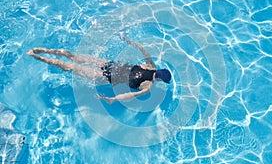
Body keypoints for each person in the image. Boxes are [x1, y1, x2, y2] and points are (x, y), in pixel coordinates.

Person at [27, 34, 172, 104]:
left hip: (110, 64)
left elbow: (142, 49)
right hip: (104, 76)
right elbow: (129, 96)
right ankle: (37, 57)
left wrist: (129, 41)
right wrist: (113, 98)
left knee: (72, 56)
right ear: (159, 79)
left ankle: (41, 50)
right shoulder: (147, 87)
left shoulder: (151, 65)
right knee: (69, 67)